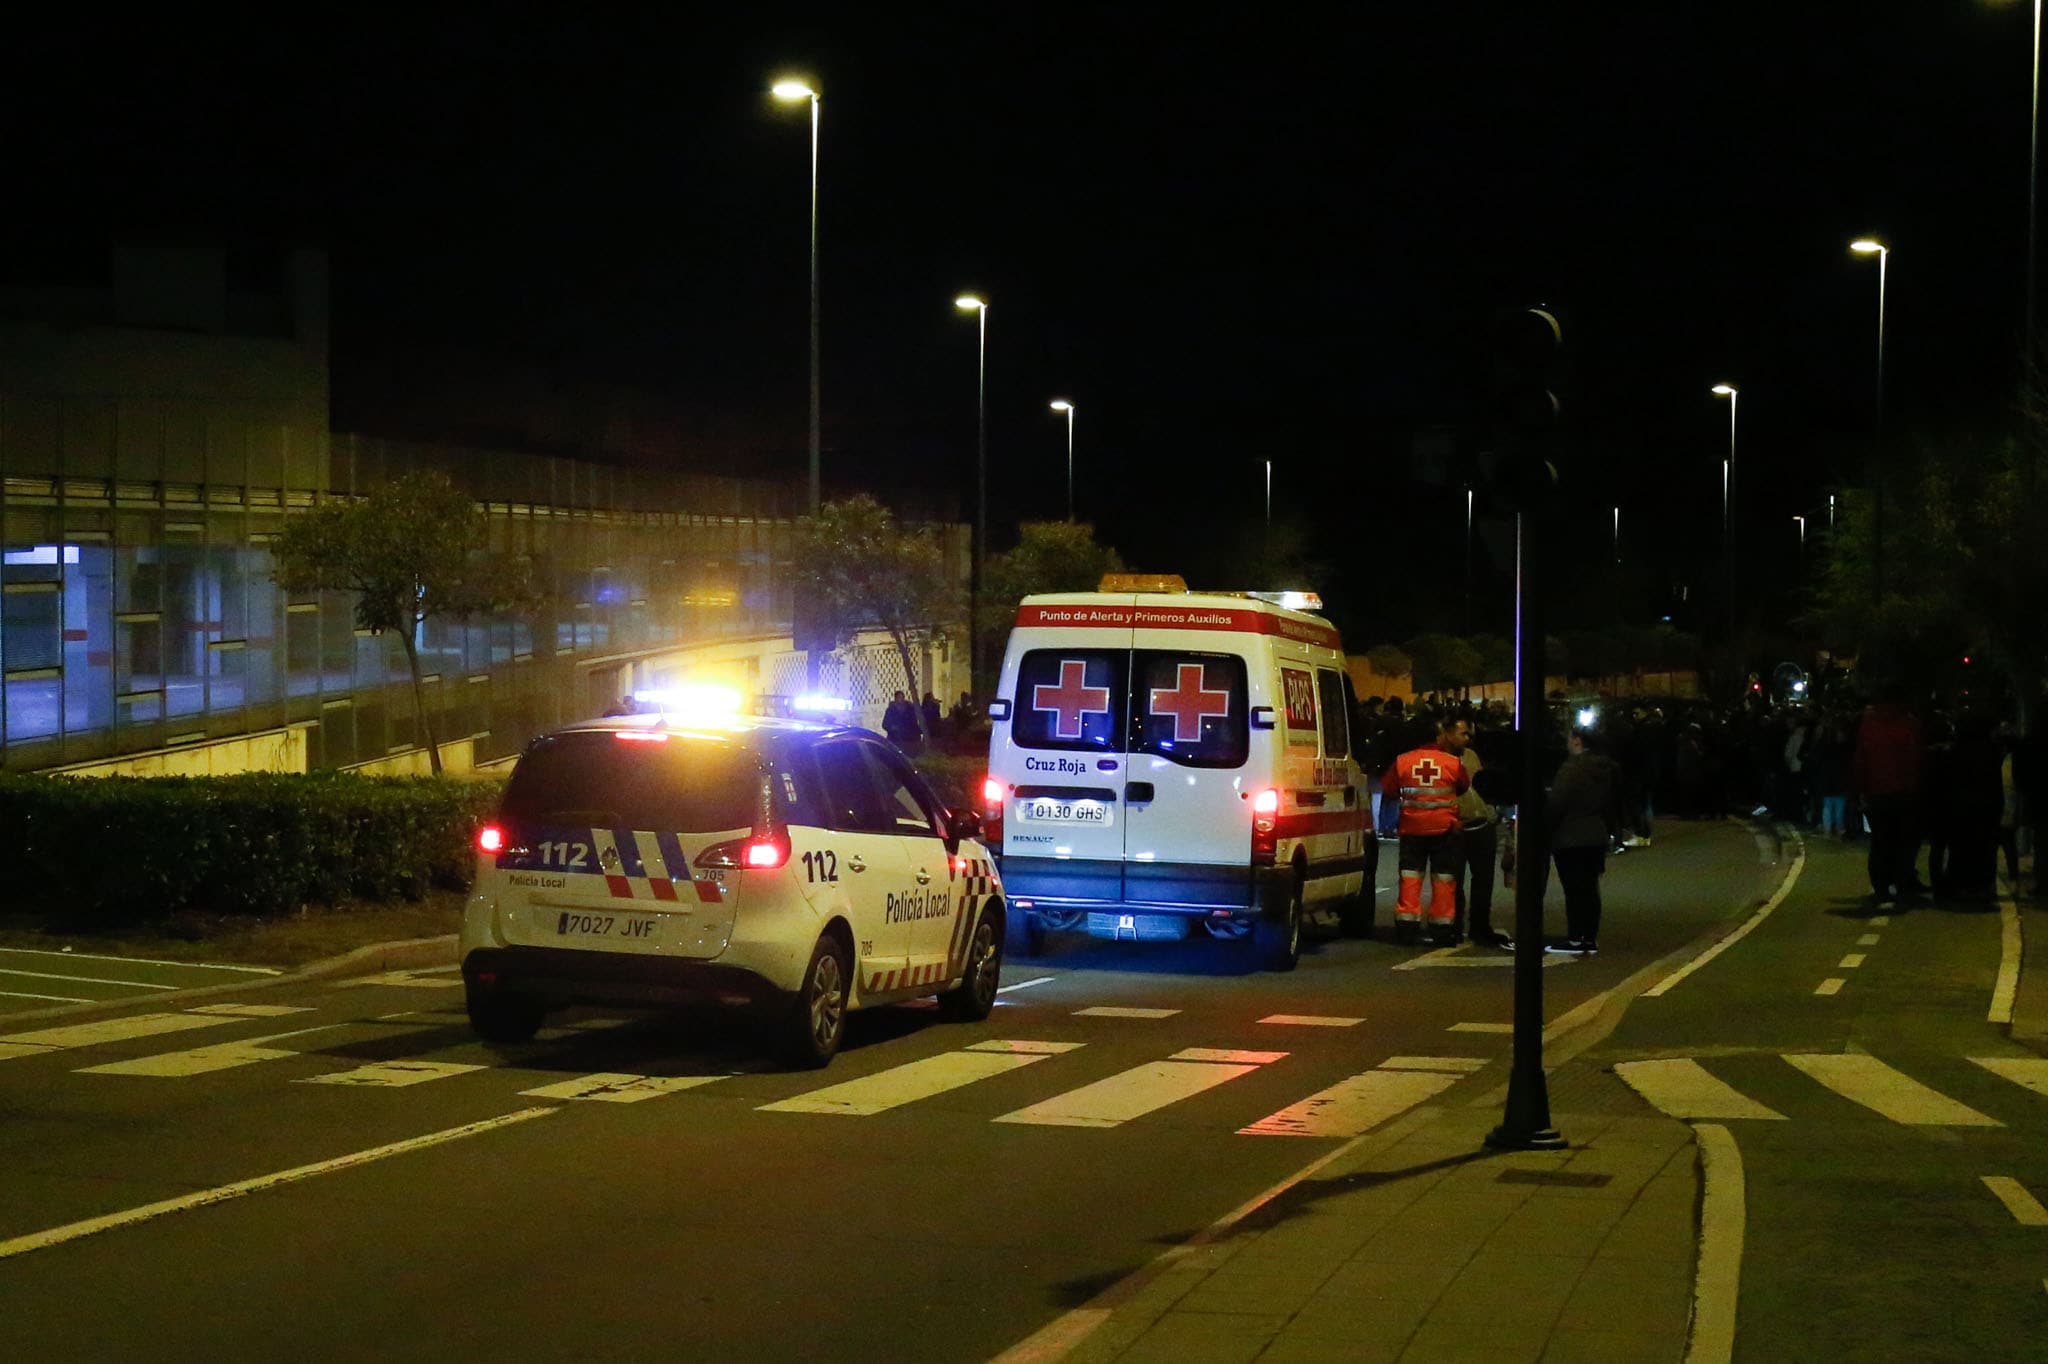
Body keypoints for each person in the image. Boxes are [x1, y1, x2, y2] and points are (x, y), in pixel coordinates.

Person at [1381, 713, 1469, 946]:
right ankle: (1442, 928)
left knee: (1410, 876)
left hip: (1412, 829)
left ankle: (1407, 927)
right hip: (1444, 830)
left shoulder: (1402, 761)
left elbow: (1389, 790)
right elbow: (1463, 786)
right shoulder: (1452, 762)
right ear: (1437, 736)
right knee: (1444, 879)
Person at [1547, 724, 1621, 955]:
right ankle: (1589, 936)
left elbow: (1557, 802)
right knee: (1590, 887)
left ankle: (1576, 936)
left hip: (1570, 835)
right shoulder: (1606, 768)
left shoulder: (1571, 769)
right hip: (1596, 833)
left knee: (1574, 888)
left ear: (1577, 741)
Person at [1849, 683, 1926, 906]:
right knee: (1903, 841)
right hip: (1903, 792)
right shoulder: (1909, 725)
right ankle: (1901, 883)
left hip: (1876, 792)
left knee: (1881, 841)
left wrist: (1858, 790)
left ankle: (1881, 886)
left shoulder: (1870, 726)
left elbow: (1860, 760)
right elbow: (1914, 760)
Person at [1451, 716, 1511, 949]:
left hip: (1481, 824)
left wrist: (1491, 814)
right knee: (1454, 882)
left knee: (1483, 881)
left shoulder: (1471, 756)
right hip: (1457, 827)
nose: (1467, 738)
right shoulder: (1442, 760)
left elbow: (1482, 786)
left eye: (1469, 734)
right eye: (1462, 733)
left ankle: (1479, 926)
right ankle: (1453, 926)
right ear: (1448, 733)